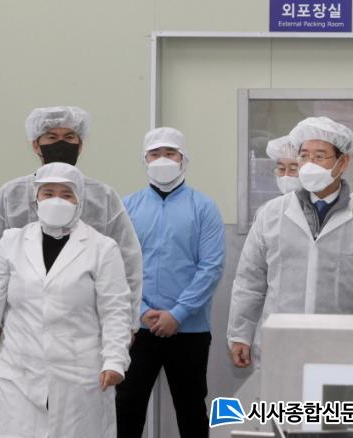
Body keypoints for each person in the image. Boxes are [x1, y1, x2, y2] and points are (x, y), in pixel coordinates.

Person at [0, 163, 132, 438]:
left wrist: (114, 361)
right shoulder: (11, 243)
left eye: (66, 194)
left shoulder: (102, 248)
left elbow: (116, 311)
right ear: (36, 198)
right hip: (19, 375)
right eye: (48, 193)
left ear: (79, 200)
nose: (56, 200)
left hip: (79, 376)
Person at [227, 116, 353, 368]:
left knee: (335, 395)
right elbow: (249, 279)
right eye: (304, 156)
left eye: (320, 156)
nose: (309, 164)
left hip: (342, 347)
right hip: (280, 344)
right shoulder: (271, 214)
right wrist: (240, 333)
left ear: (343, 162)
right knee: (281, 394)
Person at [0, 106, 142, 342]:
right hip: (23, 325)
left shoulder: (103, 197)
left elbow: (127, 261)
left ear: (80, 144)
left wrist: (126, 322)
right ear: (36, 145)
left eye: (69, 137)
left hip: (86, 325)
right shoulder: (11, 195)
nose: (61, 144)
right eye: (52, 137)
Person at [115, 127, 225, 438]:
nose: (162, 160)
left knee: (191, 409)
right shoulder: (127, 207)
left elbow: (211, 267)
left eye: (170, 153)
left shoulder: (203, 207)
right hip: (137, 329)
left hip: (189, 328)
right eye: (155, 154)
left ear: (183, 159)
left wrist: (178, 314)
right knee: (127, 406)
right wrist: (141, 311)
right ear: (145, 160)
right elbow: (118, 266)